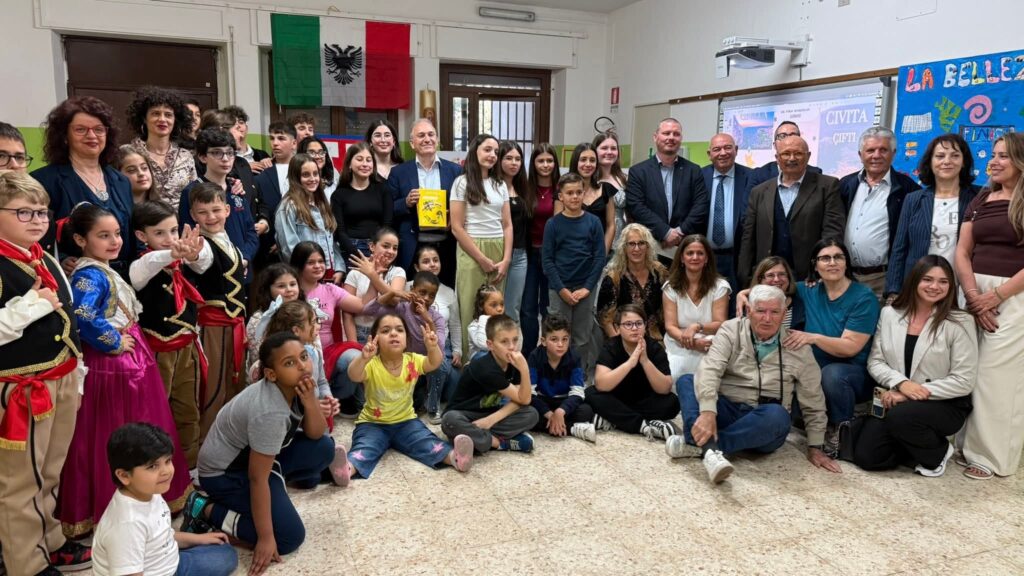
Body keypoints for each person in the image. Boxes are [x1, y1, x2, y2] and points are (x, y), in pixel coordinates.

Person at [58, 202, 192, 538]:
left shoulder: (102, 269)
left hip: (128, 358)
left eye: (116, 234)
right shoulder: (90, 274)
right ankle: (119, 505)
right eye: (103, 236)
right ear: (80, 240)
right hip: (114, 367)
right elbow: (83, 315)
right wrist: (113, 341)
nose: (114, 241)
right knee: (118, 428)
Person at [187, 332, 350, 576]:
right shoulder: (269, 412)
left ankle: (277, 491)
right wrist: (264, 537)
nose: (302, 366)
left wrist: (310, 402)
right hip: (225, 474)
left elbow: (317, 433)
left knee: (323, 448)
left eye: (303, 356)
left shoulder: (300, 384)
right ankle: (205, 509)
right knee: (288, 538)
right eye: (289, 362)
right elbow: (257, 478)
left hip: (258, 459)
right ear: (271, 374)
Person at [0, 172, 89, 576]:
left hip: (61, 376)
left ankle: (49, 540)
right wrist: (33, 304)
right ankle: (26, 564)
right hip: (23, 386)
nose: (36, 220)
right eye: (23, 212)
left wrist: (77, 373)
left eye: (41, 212)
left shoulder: (41, 255)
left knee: (49, 471)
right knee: (21, 482)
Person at [668, 285, 838, 484]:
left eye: (775, 312)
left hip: (763, 422)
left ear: (784, 314)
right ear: (749, 311)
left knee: (778, 415)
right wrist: (708, 411)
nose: (767, 318)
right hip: (726, 409)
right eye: (761, 311)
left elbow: (813, 398)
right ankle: (709, 448)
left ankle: (703, 446)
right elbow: (710, 369)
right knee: (688, 381)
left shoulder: (799, 347)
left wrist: (815, 446)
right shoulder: (731, 329)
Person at [854, 256, 977, 476]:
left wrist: (911, 393)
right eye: (927, 279)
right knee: (868, 456)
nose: (935, 286)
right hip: (898, 396)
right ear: (914, 280)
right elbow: (876, 361)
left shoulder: (960, 321)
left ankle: (938, 453)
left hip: (944, 402)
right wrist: (901, 383)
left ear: (951, 286)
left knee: (901, 417)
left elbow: (964, 380)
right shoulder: (890, 314)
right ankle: (911, 444)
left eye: (943, 281)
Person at [956, 133, 1024, 479]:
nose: (994, 162)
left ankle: (991, 457)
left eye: (1004, 156)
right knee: (967, 369)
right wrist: (973, 296)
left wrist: (997, 296)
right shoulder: (982, 197)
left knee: (996, 378)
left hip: (1012, 296)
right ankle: (963, 444)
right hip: (973, 293)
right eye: (994, 155)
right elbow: (962, 250)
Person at [91, 423, 237, 576]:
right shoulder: (127, 525)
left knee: (225, 553)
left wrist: (199, 539)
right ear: (124, 475)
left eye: (167, 461)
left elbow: (163, 536)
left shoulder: (149, 491)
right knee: (223, 557)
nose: (166, 471)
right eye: (153, 466)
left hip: (166, 562)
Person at [130, 201, 211, 471]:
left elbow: (204, 262)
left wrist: (193, 254)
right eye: (160, 233)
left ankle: (189, 470)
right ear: (141, 236)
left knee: (188, 411)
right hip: (156, 354)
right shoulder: (142, 264)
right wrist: (173, 253)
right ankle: (153, 471)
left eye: (174, 231)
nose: (170, 238)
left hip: (187, 348)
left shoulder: (183, 260)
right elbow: (147, 266)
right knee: (154, 413)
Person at [344, 312, 474, 478]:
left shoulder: (412, 360)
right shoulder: (371, 364)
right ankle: (347, 469)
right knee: (365, 447)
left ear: (407, 339)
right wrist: (363, 358)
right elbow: (353, 375)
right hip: (372, 423)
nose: (393, 333)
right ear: (375, 339)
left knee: (426, 441)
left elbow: (434, 363)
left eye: (399, 330)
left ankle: (455, 458)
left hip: (406, 422)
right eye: (385, 331)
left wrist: (432, 348)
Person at [787, 239, 880, 454]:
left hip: (852, 374)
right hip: (813, 371)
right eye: (825, 258)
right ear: (815, 264)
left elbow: (850, 347)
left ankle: (841, 430)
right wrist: (745, 294)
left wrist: (813, 338)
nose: (832, 262)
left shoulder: (863, 297)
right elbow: (773, 286)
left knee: (832, 374)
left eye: (838, 257)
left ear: (846, 263)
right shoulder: (808, 289)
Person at [32, 96, 134, 276]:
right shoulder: (44, 180)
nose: (92, 136)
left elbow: (131, 232)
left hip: (123, 277)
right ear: (64, 136)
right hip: (76, 278)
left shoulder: (121, 181)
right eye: (81, 129)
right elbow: (36, 236)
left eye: (99, 129)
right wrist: (61, 260)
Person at [737, 135, 846, 286]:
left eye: (798, 153)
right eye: (786, 154)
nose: (792, 158)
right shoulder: (759, 192)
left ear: (808, 156)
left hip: (810, 278)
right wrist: (746, 277)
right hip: (769, 278)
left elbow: (832, 232)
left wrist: (823, 270)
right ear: (777, 157)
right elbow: (748, 238)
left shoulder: (827, 186)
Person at [187, 183, 248, 441]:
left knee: (233, 383)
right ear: (193, 215)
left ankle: (230, 440)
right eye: (203, 212)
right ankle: (206, 443)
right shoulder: (203, 245)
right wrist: (193, 255)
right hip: (214, 326)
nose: (210, 217)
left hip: (234, 324)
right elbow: (200, 261)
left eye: (215, 210)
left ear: (227, 210)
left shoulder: (227, 241)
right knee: (213, 386)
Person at [886, 133, 979, 300]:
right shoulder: (913, 199)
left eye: (955, 156)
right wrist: (893, 291)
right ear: (930, 161)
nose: (947, 161)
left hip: (963, 289)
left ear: (964, 161)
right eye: (940, 156)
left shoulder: (978, 197)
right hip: (919, 288)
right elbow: (899, 249)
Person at [838, 126, 922, 298]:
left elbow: (913, 241)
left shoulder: (908, 190)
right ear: (860, 154)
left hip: (883, 280)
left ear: (893, 153)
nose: (876, 155)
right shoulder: (845, 184)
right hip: (844, 277)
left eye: (883, 150)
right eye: (870, 150)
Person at [441, 314, 539, 454]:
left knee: (532, 414)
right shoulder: (486, 368)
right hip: (465, 415)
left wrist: (490, 420)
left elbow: (523, 400)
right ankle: (500, 443)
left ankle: (475, 439)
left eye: (515, 340)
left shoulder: (514, 363)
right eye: (504, 342)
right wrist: (524, 368)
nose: (512, 347)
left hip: (490, 413)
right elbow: (523, 398)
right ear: (490, 345)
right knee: (449, 421)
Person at [451, 134, 513, 358]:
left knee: (495, 310)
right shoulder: (461, 182)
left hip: (498, 247)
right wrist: (481, 259)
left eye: (496, 151)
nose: (492, 155)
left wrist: (506, 259)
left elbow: (507, 224)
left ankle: (497, 361)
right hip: (472, 248)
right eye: (487, 149)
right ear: (475, 151)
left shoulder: (500, 184)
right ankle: (470, 364)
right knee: (470, 307)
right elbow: (456, 227)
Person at [585, 304, 679, 442]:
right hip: (616, 397)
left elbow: (664, 388)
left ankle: (615, 419)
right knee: (590, 394)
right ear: (618, 328)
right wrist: (630, 363)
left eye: (639, 323)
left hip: (644, 400)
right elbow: (601, 384)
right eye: (628, 324)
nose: (634, 328)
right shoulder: (611, 346)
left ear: (645, 326)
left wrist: (645, 361)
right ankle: (642, 425)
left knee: (672, 402)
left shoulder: (654, 348)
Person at [543, 173, 606, 372]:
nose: (575, 197)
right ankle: (557, 375)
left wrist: (587, 288)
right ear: (560, 196)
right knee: (558, 336)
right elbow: (547, 261)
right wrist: (561, 289)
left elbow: (599, 258)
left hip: (585, 290)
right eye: (569, 193)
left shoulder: (593, 222)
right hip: (559, 289)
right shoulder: (553, 224)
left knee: (582, 337)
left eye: (579, 192)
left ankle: (579, 377)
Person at [625, 118, 708, 266]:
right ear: (655, 137)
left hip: (684, 248)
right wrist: (665, 232)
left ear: (681, 138)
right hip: (650, 247)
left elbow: (700, 205)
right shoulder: (638, 171)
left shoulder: (694, 170)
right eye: (666, 133)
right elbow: (636, 206)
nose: (671, 137)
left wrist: (679, 232)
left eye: (676, 134)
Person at [387, 118, 462, 280]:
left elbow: (465, 207)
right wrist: (406, 202)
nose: (427, 139)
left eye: (431, 134)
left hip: (447, 245)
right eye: (421, 135)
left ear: (437, 140)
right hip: (412, 245)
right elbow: (388, 209)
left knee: (446, 291)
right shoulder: (399, 172)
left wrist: (453, 218)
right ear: (412, 143)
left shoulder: (455, 171)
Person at [179, 128, 258, 281]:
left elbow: (251, 232)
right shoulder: (192, 191)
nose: (225, 158)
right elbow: (188, 234)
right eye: (216, 153)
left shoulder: (236, 188)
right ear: (203, 157)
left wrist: (243, 258)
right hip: (211, 273)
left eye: (230, 153)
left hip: (242, 268)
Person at [263, 300, 341, 428]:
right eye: (313, 322)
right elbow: (286, 399)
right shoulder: (281, 361)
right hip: (290, 422)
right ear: (296, 330)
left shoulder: (314, 352)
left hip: (313, 414)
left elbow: (321, 382)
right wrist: (313, 406)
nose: (318, 326)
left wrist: (327, 397)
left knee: (324, 437)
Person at [663, 234, 730, 380]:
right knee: (675, 374)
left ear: (706, 259)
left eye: (700, 253)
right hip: (678, 342)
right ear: (682, 258)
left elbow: (720, 324)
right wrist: (693, 343)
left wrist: (696, 327)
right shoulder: (670, 287)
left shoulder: (720, 286)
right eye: (690, 253)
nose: (695, 257)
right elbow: (670, 326)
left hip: (709, 342)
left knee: (708, 376)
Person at [409, 245, 462, 419]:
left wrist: (457, 350)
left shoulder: (448, 292)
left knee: (453, 391)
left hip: (441, 344)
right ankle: (426, 399)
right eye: (426, 261)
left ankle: (430, 395)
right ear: (416, 267)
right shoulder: (408, 288)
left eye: (435, 260)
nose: (432, 264)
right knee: (438, 368)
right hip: (413, 345)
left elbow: (455, 324)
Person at [123, 86, 197, 209]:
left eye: (168, 115)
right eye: (155, 113)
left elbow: (194, 195)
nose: (162, 119)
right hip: (140, 218)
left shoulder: (186, 156)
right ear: (144, 118)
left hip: (180, 220)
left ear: (175, 120)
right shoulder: (128, 152)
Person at [274, 153, 343, 280]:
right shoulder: (287, 207)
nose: (313, 179)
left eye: (315, 174)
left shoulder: (322, 203)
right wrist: (305, 275)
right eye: (306, 175)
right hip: (306, 275)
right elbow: (289, 248)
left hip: (329, 272)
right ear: (295, 177)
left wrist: (339, 268)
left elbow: (331, 241)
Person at [701, 133, 755, 296]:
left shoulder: (751, 177)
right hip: (704, 256)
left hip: (737, 257)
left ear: (736, 150)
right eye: (717, 149)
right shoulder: (698, 176)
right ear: (709, 154)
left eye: (728, 147)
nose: (723, 153)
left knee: (736, 302)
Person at [528, 314, 596, 442]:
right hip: (543, 401)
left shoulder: (574, 357)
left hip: (564, 402)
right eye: (554, 339)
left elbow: (577, 392)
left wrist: (560, 411)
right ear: (543, 341)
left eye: (565, 339)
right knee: (529, 414)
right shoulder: (535, 357)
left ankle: (556, 425)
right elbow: (530, 393)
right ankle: (573, 429)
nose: (560, 344)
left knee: (586, 411)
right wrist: (550, 414)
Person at [596, 223, 668, 340]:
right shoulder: (614, 277)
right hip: (623, 339)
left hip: (655, 338)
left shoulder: (659, 272)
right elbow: (606, 320)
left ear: (648, 246)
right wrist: (620, 345)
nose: (636, 249)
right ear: (624, 247)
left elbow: (667, 309)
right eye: (631, 244)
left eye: (641, 243)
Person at [520, 143, 560, 353]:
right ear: (533, 164)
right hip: (529, 254)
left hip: (552, 256)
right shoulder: (525, 188)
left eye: (549, 160)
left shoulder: (561, 188)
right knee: (527, 307)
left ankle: (547, 352)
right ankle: (528, 354)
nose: (545, 165)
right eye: (540, 161)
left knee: (548, 307)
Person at [343, 227, 406, 344]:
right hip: (360, 331)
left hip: (388, 332)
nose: (391, 251)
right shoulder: (355, 272)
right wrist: (352, 344)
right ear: (372, 246)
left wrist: (372, 275)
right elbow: (347, 313)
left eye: (395, 248)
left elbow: (394, 299)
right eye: (386, 246)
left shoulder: (398, 272)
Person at [331, 142, 393, 260]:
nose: (365, 164)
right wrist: (359, 256)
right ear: (349, 164)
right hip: (351, 250)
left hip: (378, 249)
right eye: (359, 159)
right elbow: (340, 231)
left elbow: (387, 224)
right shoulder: (339, 195)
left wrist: (378, 250)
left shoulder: (383, 190)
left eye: (368, 160)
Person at [246, 263, 303, 380]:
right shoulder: (259, 319)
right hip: (270, 377)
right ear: (268, 289)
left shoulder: (306, 314)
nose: (289, 290)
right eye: (281, 286)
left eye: (293, 284)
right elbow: (257, 357)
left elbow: (316, 346)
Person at [252, 122, 298, 268]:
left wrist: (285, 241)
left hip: (301, 245)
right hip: (269, 247)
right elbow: (261, 208)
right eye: (272, 138)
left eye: (281, 138)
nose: (275, 143)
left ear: (294, 143)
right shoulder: (260, 174)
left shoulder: (304, 172)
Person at [559, 142, 616, 253]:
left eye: (592, 160)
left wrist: (602, 255)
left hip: (600, 253)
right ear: (576, 162)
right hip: (571, 253)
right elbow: (559, 225)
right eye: (583, 159)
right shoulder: (563, 190)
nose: (588, 164)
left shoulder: (606, 189)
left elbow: (611, 225)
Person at [497, 141, 530, 327]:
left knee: (513, 308)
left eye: (518, 159)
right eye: (508, 158)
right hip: (497, 253)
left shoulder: (523, 187)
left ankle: (511, 343)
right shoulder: (492, 187)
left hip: (520, 255)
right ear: (499, 160)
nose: (514, 163)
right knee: (493, 305)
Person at [748, 121, 823, 187]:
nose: (788, 140)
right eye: (782, 136)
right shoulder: (759, 175)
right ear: (774, 145)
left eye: (793, 135)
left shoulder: (815, 173)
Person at [745, 256, 804, 329]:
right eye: (770, 275)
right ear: (760, 279)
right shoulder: (747, 303)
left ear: (788, 277)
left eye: (782, 274)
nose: (776, 279)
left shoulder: (800, 303)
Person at [593, 131, 628, 249]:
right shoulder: (589, 180)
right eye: (604, 148)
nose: (609, 152)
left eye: (613, 148)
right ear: (595, 151)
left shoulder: (624, 179)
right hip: (596, 237)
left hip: (620, 240)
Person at [222, 104, 271, 174]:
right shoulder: (224, 156)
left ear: (247, 128)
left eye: (241, 122)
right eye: (233, 123)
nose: (238, 126)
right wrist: (245, 168)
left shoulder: (262, 154)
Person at [467, 284, 505, 361]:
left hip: (499, 359)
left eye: (502, 304)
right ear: (481, 306)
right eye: (494, 305)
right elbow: (484, 345)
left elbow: (516, 344)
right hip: (479, 362)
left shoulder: (505, 324)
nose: (500, 309)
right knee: (484, 354)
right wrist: (484, 318)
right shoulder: (474, 326)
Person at [298, 135, 339, 200]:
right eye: (312, 153)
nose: (317, 156)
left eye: (321, 152)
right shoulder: (294, 182)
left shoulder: (333, 184)